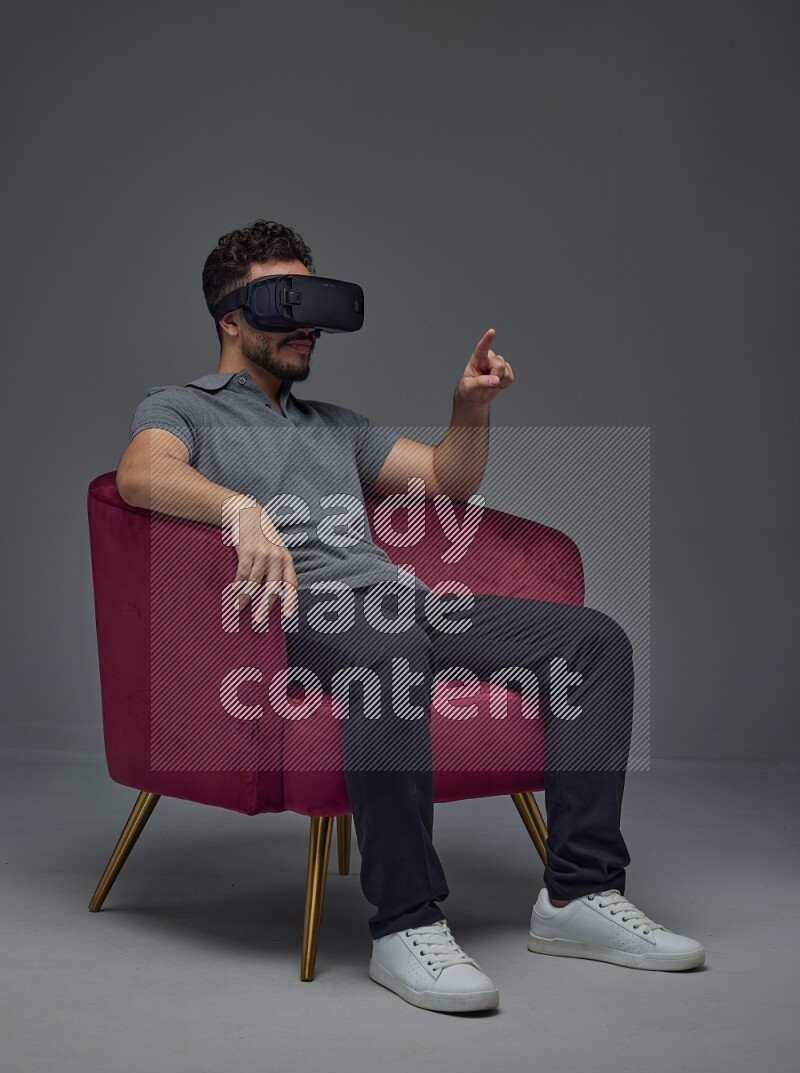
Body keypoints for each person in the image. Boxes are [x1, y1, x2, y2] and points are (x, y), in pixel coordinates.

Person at [116, 218, 705, 1015]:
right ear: (230, 316)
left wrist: (468, 409)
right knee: (388, 652)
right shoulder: (183, 405)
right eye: (288, 303)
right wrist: (238, 509)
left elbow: (445, 482)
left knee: (594, 643)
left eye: (314, 306)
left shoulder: (336, 425)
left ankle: (578, 895)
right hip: (298, 614)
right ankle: (406, 923)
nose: (308, 327)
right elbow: (140, 473)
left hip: (403, 604)